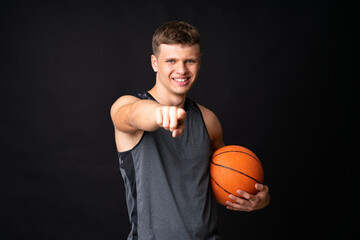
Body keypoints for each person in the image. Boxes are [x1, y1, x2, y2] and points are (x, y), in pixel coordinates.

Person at [110, 21, 270, 240]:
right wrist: (160, 113)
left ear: (200, 61)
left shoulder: (208, 120)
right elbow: (131, 114)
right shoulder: (127, 105)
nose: (182, 70)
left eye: (190, 61)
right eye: (171, 61)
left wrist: (256, 197)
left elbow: (227, 179)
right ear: (154, 63)